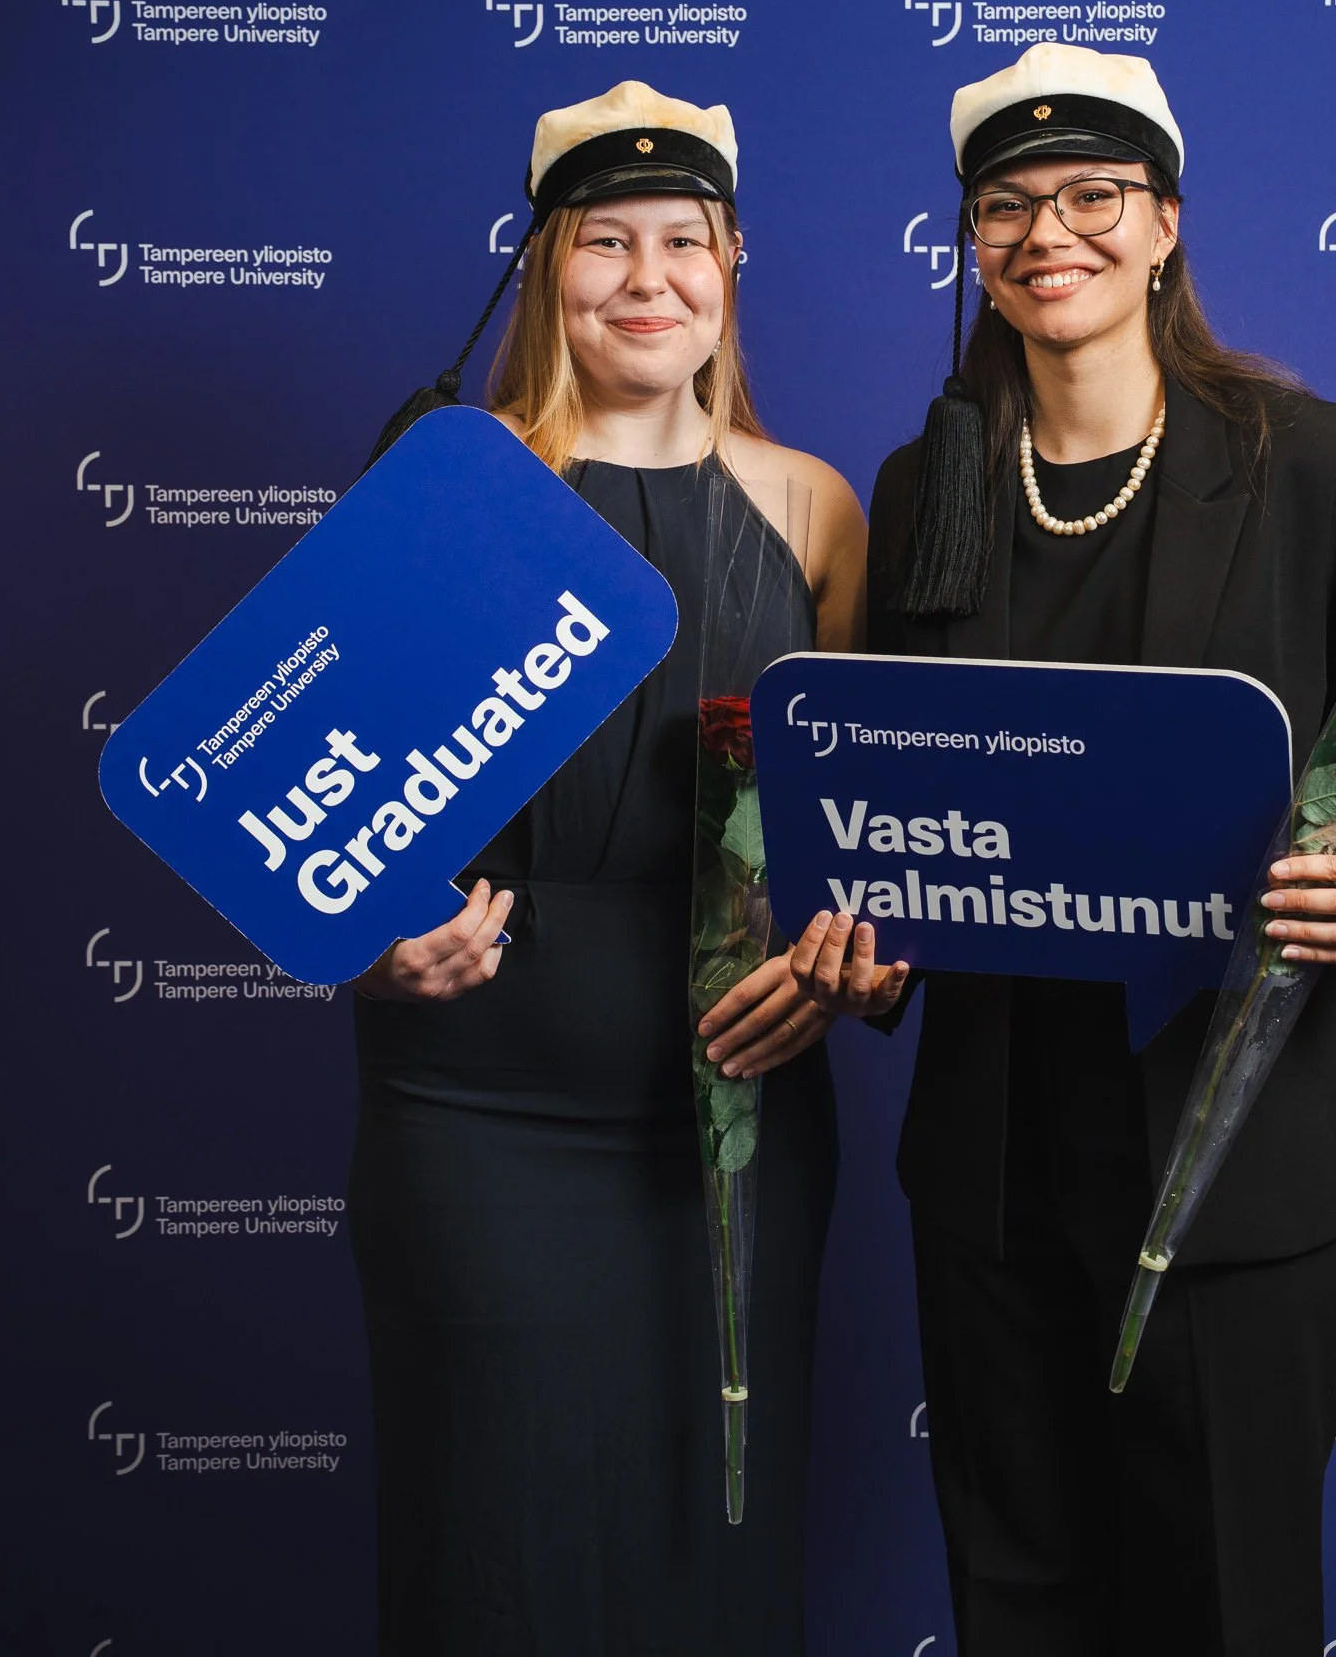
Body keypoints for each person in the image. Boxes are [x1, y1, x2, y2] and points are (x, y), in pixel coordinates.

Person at [801, 44, 1336, 1655]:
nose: (1050, 233)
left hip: (1244, 1141)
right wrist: (860, 939)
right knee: (1017, 1594)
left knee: (1225, 1600)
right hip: (995, 1154)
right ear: (973, 244)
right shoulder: (927, 482)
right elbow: (889, 800)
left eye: (1092, 196)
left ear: (1163, 222)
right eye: (1006, 207)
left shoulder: (1307, 458)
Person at [346, 81, 869, 1656]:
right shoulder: (448, 482)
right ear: (539, 272)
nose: (648, 280)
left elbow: (857, 835)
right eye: (605, 243)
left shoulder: (815, 506)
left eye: (684, 242)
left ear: (731, 265)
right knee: (495, 1545)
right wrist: (380, 929)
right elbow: (318, 812)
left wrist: (843, 959)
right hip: (476, 1110)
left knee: (707, 1530)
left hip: (736, 1111)